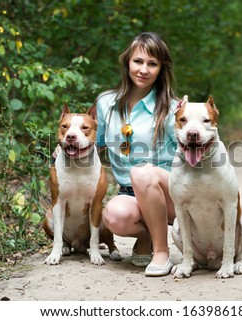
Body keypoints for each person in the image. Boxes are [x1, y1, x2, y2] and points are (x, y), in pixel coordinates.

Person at [96, 32, 178, 277]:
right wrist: (65, 148)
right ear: (127, 63)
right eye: (138, 61)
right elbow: (95, 144)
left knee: (141, 172)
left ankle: (162, 253)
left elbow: (192, 152)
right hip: (130, 193)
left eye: (152, 64)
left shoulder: (173, 108)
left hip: (171, 193)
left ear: (161, 69)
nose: (144, 69)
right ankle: (147, 236)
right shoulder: (105, 103)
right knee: (113, 215)